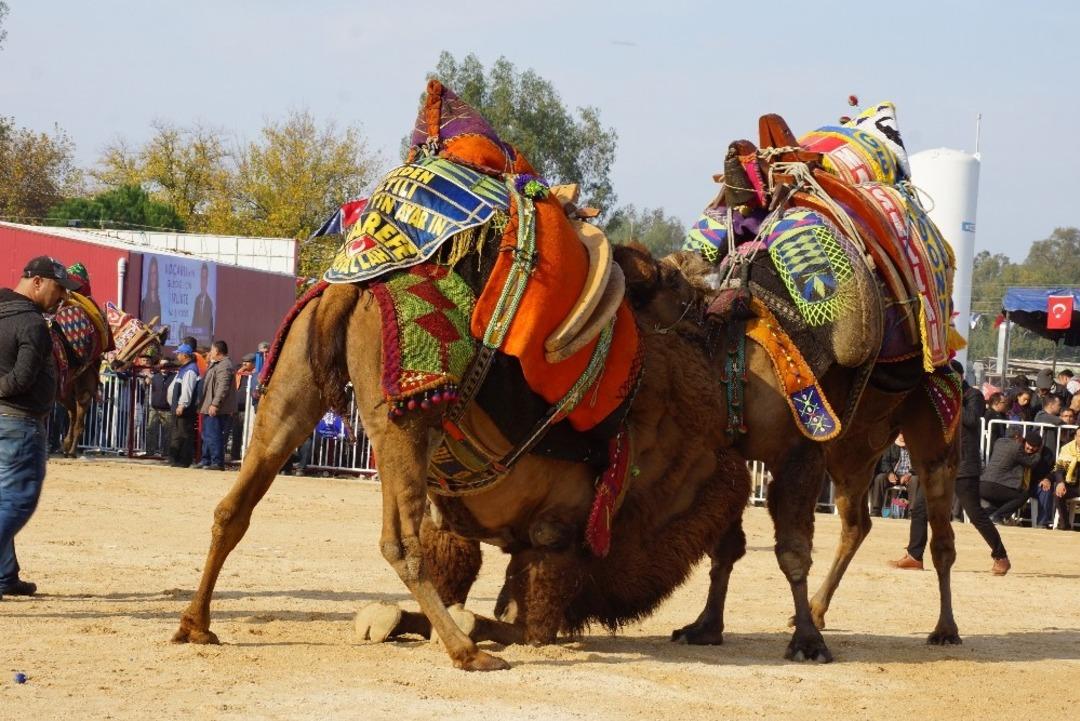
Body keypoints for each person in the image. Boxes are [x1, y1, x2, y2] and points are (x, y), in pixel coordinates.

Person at [0, 256, 81, 599]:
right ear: (37, 282)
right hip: (19, 423)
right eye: (58, 288)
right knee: (19, 498)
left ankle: (5, 576)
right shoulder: (32, 323)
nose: (62, 297)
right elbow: (22, 378)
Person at [892, 363, 1011, 575]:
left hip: (963, 463)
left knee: (975, 513)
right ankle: (914, 555)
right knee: (919, 509)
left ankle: (1000, 555)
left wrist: (950, 400)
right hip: (938, 463)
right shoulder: (937, 398)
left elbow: (971, 420)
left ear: (960, 376)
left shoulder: (973, 395)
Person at [980, 431, 1047, 524]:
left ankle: (988, 515)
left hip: (982, 484)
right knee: (1023, 496)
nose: (1030, 448)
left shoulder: (999, 442)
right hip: (996, 485)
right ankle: (997, 517)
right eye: (1028, 443)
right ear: (1017, 437)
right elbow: (1031, 463)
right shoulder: (1017, 447)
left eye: (1034, 446)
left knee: (1004, 499)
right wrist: (1039, 452)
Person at [197, 340, 236, 471]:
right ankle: (206, 460)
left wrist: (215, 404)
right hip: (208, 405)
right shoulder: (216, 364)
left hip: (217, 408)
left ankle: (217, 462)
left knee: (214, 435)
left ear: (217, 351)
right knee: (207, 434)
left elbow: (222, 387)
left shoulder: (225, 365)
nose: (210, 352)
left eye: (212, 350)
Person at [167, 344, 200, 468]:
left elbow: (187, 390)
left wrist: (182, 405)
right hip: (179, 408)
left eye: (179, 353)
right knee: (178, 433)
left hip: (184, 409)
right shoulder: (185, 368)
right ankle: (175, 459)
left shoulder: (190, 370)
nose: (177, 356)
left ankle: (183, 460)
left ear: (185, 355)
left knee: (183, 434)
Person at [868, 433, 917, 517]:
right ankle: (875, 511)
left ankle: (912, 513)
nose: (902, 436)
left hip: (909, 476)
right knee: (879, 478)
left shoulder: (914, 446)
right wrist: (889, 473)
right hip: (895, 475)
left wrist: (910, 473)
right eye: (900, 434)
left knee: (915, 480)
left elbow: (919, 463)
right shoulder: (891, 446)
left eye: (904, 434)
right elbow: (884, 462)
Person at [1050, 425, 1080, 530]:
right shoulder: (1066, 448)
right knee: (1058, 494)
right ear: (1075, 437)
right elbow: (1059, 469)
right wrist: (1060, 482)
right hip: (1070, 484)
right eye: (1079, 436)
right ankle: (1065, 525)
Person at [145, 358, 175, 458]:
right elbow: (148, 382)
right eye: (161, 365)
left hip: (167, 409)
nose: (163, 367)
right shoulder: (156, 377)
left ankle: (166, 453)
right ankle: (150, 452)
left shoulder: (173, 377)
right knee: (151, 430)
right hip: (154, 408)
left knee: (168, 432)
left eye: (165, 365)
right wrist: (147, 379)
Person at [230, 353, 256, 462]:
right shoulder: (239, 372)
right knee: (236, 432)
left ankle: (247, 456)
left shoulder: (255, 375)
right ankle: (234, 455)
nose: (244, 364)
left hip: (249, 410)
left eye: (247, 362)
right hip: (237, 409)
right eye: (243, 361)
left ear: (254, 363)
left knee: (249, 433)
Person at [191, 263, 214, 343]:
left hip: (205, 342)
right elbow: (194, 322)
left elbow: (210, 326)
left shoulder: (209, 302)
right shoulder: (197, 300)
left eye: (205, 278)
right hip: (195, 341)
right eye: (201, 277)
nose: (203, 281)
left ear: (207, 280)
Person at [141, 256, 162, 324]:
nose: (153, 277)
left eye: (155, 273)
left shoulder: (158, 303)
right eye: (151, 274)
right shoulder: (144, 303)